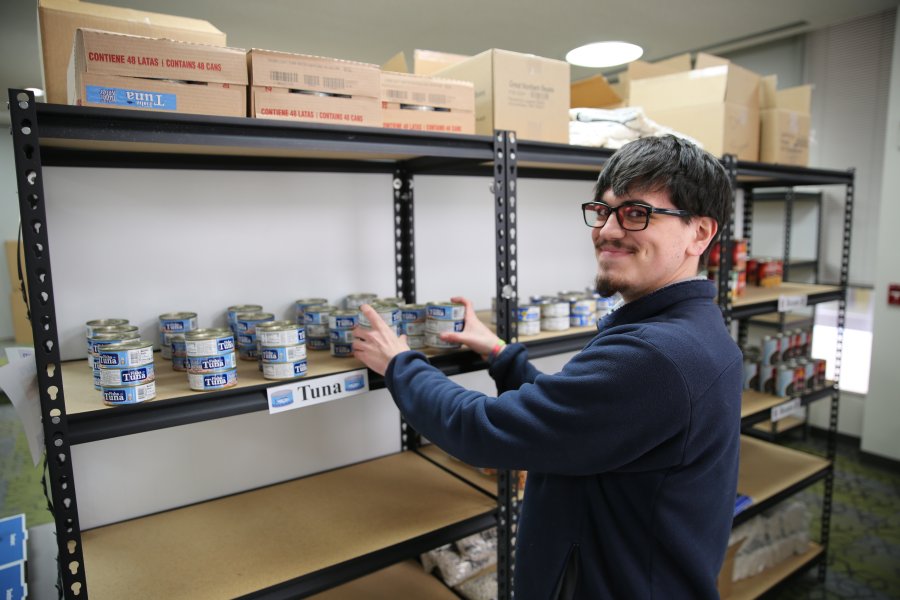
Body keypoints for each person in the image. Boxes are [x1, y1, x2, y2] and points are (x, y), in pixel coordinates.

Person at [352, 134, 743, 599]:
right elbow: (581, 422)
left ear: (700, 232)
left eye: (637, 213)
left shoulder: (658, 355)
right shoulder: (688, 330)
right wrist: (500, 354)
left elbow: (482, 429)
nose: (608, 230)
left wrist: (401, 365)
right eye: (603, 210)